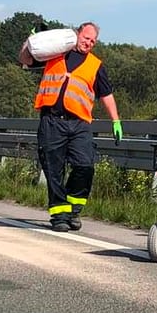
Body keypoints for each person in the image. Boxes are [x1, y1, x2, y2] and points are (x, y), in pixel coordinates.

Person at [18, 21, 122, 232]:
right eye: (86, 38)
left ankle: (73, 209)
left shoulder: (96, 65)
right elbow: (25, 59)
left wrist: (116, 120)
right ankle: (59, 216)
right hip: (52, 121)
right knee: (53, 169)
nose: (89, 43)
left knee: (85, 165)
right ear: (77, 34)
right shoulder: (55, 53)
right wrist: (30, 41)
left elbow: (106, 95)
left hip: (79, 123)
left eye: (93, 41)